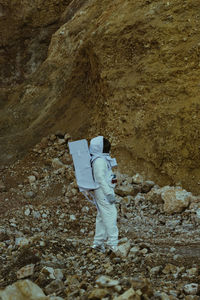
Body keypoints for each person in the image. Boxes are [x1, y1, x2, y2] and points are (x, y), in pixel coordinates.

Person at [89, 135, 118, 253]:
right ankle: (113, 244)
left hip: (103, 191)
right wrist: (108, 194)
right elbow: (100, 178)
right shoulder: (99, 161)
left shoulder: (100, 159)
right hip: (104, 192)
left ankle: (98, 243)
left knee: (102, 216)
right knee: (111, 215)